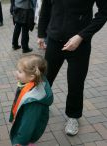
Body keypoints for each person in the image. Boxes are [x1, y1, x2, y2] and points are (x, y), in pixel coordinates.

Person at [37, 0, 107, 136]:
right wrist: (41, 33)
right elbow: (45, 8)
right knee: (45, 79)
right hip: (54, 40)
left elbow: (104, 13)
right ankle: (40, 106)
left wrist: (82, 36)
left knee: (76, 82)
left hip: (80, 44)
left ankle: (73, 116)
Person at [9, 54, 53, 146]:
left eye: (20, 72)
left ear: (32, 77)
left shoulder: (33, 102)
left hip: (24, 137)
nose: (16, 73)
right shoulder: (31, 82)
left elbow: (27, 126)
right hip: (22, 124)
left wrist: (20, 142)